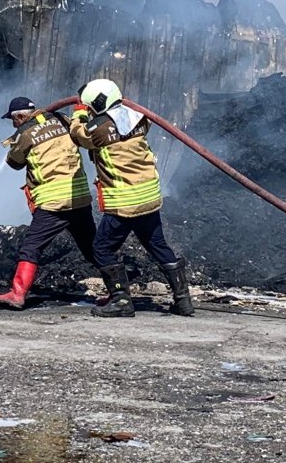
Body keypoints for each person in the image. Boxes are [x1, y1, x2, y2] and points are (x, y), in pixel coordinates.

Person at [70, 79, 194, 317]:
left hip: (124, 202)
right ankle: (183, 299)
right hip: (148, 198)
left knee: (102, 249)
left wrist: (79, 114)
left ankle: (120, 301)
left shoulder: (99, 129)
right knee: (158, 245)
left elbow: (79, 136)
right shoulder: (140, 118)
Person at [0, 96, 99, 309]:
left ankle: (17, 294)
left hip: (53, 204)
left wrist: (20, 139)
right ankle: (119, 290)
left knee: (30, 248)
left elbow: (14, 163)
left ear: (21, 116)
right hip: (79, 199)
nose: (13, 125)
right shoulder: (63, 120)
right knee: (91, 248)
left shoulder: (25, 133)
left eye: (14, 120)